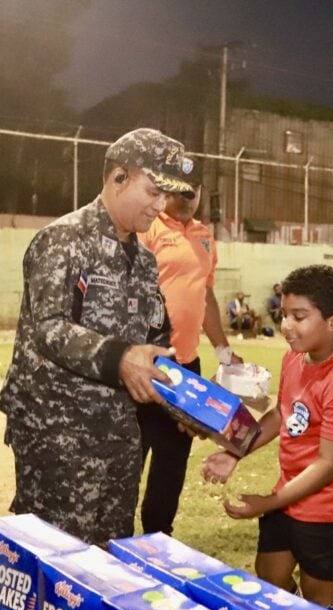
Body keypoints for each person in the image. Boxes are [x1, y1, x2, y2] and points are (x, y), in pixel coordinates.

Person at [0, 127, 193, 545]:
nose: (160, 206)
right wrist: (119, 357)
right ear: (119, 177)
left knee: (109, 557)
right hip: (58, 432)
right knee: (56, 556)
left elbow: (154, 340)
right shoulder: (61, 240)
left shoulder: (143, 261)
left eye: (166, 196)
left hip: (118, 432)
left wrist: (191, 405)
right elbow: (49, 327)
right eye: (153, 190)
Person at [201, 265, 333, 608]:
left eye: (299, 316)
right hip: (289, 492)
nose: (286, 326)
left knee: (318, 592)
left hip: (329, 508)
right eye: (284, 314)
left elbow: (329, 464)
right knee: (270, 572)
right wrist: (236, 452)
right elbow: (282, 414)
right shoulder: (295, 357)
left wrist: (267, 503)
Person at [136, 178, 240, 535]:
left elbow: (205, 296)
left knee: (171, 463)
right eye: (179, 190)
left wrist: (224, 350)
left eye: (193, 191)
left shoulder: (204, 236)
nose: (187, 198)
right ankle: (113, 541)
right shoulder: (147, 226)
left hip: (185, 367)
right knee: (128, 459)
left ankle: (157, 538)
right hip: (146, 362)